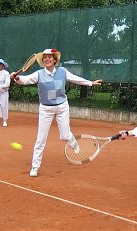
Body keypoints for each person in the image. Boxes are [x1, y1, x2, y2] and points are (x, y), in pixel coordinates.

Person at [10, 49, 102, 177]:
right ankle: (35, 167)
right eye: (45, 57)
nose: (47, 59)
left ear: (54, 60)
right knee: (40, 139)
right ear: (43, 61)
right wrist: (17, 77)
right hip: (46, 109)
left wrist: (90, 83)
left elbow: (76, 79)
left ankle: (73, 142)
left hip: (62, 107)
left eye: (49, 57)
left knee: (64, 136)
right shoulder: (39, 74)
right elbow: (25, 80)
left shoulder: (62, 71)